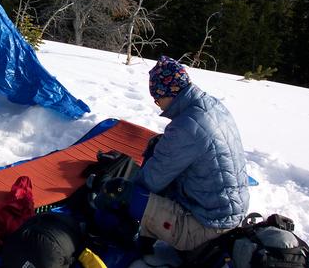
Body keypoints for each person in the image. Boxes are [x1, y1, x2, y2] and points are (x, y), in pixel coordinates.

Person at [93, 56, 249, 252]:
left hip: (205, 228)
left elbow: (150, 181)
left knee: (119, 193)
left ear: (169, 92)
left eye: (157, 98)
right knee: (157, 145)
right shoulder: (212, 105)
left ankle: (111, 237)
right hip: (226, 212)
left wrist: (115, 189)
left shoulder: (187, 126)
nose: (158, 104)